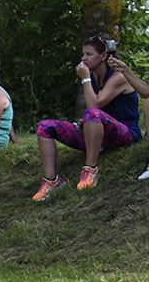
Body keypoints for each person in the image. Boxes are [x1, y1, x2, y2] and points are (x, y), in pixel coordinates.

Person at [34, 35, 141, 197]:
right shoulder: (93, 77)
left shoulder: (118, 76)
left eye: (89, 54)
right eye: (83, 54)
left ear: (103, 56)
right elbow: (94, 111)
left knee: (91, 113)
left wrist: (84, 79)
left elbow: (94, 105)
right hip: (101, 133)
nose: (83, 58)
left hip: (127, 133)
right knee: (45, 127)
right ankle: (51, 180)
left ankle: (90, 169)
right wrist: (87, 122)